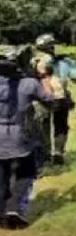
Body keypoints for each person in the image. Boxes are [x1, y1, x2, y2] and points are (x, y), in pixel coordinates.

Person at [0, 46, 53, 229]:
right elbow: (50, 101)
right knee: (27, 172)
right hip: (21, 137)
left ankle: (1, 215)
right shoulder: (29, 84)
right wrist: (41, 78)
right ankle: (15, 207)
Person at [31, 34, 75, 166]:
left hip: (41, 98)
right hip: (60, 98)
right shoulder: (64, 61)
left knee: (43, 127)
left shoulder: (32, 61)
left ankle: (45, 155)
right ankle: (58, 152)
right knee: (61, 125)